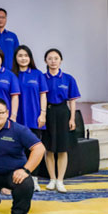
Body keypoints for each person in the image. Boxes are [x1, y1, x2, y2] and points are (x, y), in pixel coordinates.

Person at [43, 48, 81, 193]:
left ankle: (60, 180)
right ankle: (52, 179)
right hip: (47, 112)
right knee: (49, 148)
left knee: (62, 148)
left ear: (61, 60)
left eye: (56, 58)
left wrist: (72, 118)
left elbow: (72, 101)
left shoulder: (68, 79)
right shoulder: (42, 78)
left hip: (63, 113)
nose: (53, 61)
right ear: (45, 61)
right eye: (50, 58)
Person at [12, 45, 48, 191]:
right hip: (17, 118)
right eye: (20, 56)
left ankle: (34, 179)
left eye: (26, 55)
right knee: (17, 150)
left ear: (30, 58)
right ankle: (17, 178)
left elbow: (43, 95)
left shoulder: (37, 74)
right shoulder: (12, 75)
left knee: (34, 149)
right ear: (15, 58)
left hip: (34, 118)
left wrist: (43, 113)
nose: (23, 58)